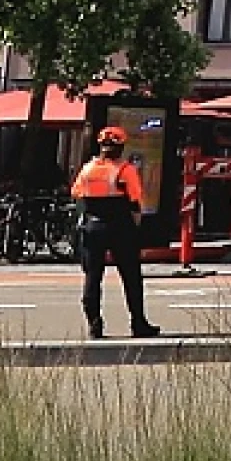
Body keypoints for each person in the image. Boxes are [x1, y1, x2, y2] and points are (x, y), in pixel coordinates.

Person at [71, 126, 160, 339]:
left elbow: (76, 193)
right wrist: (136, 227)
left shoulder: (87, 169)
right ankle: (139, 323)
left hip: (92, 226)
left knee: (93, 276)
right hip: (120, 226)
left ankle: (94, 325)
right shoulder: (125, 169)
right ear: (120, 147)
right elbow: (135, 201)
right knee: (131, 277)